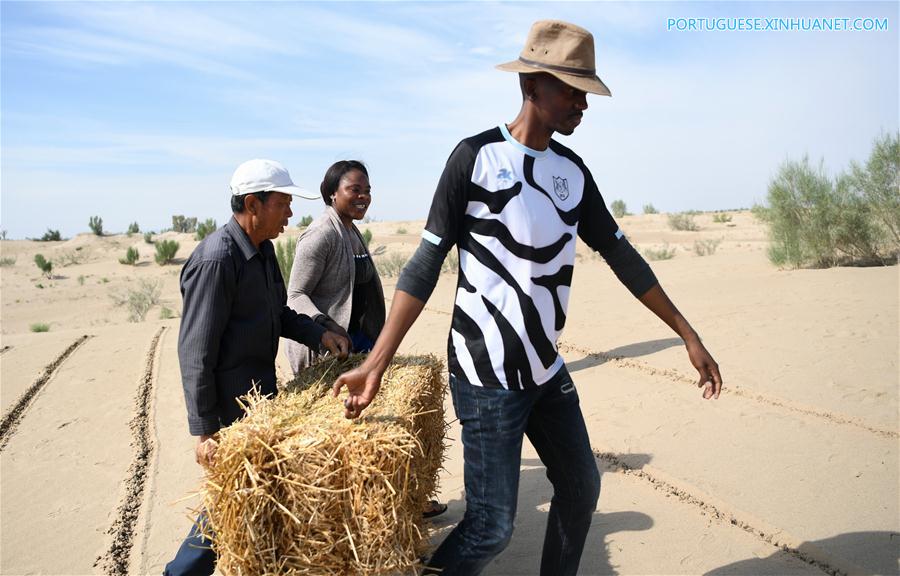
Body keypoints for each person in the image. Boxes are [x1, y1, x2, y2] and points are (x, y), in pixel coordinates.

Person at [333, 20, 723, 576]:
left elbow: (623, 257)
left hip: (545, 369)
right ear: (533, 85)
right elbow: (424, 265)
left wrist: (688, 334)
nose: (582, 104)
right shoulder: (474, 158)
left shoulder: (573, 172)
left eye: (585, 92)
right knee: (491, 525)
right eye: (572, 89)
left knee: (582, 486)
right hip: (484, 369)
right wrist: (376, 364)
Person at [165, 158, 350, 576]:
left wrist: (319, 333)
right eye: (284, 203)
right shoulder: (216, 259)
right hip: (230, 411)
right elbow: (195, 351)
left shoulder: (263, 252)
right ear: (253, 203)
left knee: (250, 502)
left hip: (259, 400)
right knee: (224, 506)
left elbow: (278, 314)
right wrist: (204, 431)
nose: (290, 213)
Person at [284, 159, 448, 519]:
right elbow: (295, 295)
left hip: (358, 344)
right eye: (354, 189)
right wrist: (324, 327)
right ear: (332, 194)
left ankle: (406, 501)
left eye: (367, 190)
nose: (363, 197)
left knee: (385, 426)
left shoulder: (351, 230)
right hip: (328, 351)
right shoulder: (322, 234)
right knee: (350, 437)